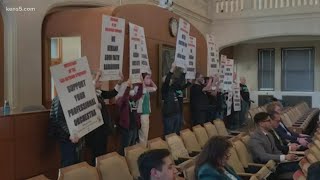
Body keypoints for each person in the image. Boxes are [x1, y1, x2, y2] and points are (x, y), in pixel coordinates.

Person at [86, 71, 123, 165]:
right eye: (99, 81)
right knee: (96, 155)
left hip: (102, 130)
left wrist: (119, 82)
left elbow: (112, 93)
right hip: (94, 131)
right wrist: (96, 77)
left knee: (102, 153)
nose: (101, 83)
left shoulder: (100, 93)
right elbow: (90, 90)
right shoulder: (88, 94)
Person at [48, 96, 85, 167]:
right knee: (68, 163)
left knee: (76, 162)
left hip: (75, 135)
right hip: (65, 136)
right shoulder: (59, 99)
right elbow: (59, 119)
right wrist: (71, 133)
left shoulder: (71, 96)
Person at [116, 79, 143, 155]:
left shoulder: (132, 99)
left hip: (134, 126)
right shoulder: (120, 100)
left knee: (132, 147)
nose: (132, 90)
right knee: (125, 148)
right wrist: (127, 87)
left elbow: (139, 94)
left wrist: (141, 84)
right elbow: (123, 99)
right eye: (130, 88)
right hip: (127, 128)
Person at [161, 63, 182, 136]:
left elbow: (180, 81)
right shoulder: (164, 89)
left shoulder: (173, 87)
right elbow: (167, 81)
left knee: (176, 135)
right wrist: (172, 69)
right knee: (169, 135)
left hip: (176, 113)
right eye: (167, 78)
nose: (170, 80)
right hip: (169, 115)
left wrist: (184, 72)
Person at [137, 72, 157, 147]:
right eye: (147, 78)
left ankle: (143, 149)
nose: (149, 79)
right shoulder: (140, 89)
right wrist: (142, 81)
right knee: (143, 136)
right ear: (142, 79)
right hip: (142, 114)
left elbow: (155, 88)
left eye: (150, 78)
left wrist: (150, 80)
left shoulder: (147, 89)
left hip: (146, 114)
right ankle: (142, 151)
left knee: (145, 135)